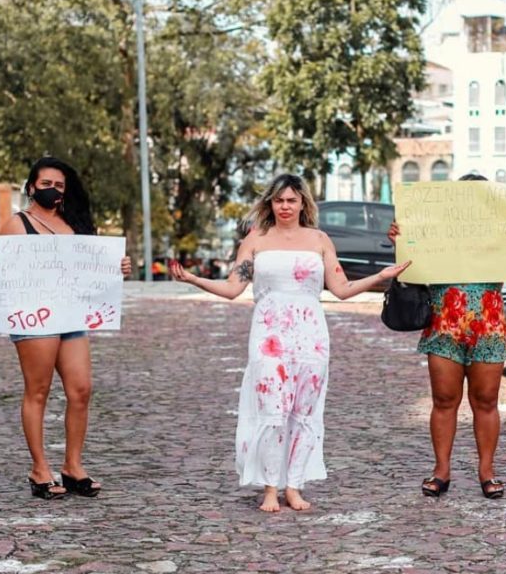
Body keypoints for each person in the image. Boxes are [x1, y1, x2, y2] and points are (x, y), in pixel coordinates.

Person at [170, 173, 409, 513]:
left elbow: (341, 289)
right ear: (270, 203)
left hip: (311, 335)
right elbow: (233, 288)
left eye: (291, 200)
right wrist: (193, 278)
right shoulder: (256, 239)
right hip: (269, 335)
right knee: (273, 408)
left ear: (302, 203)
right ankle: (270, 488)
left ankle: (294, 486)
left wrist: (380, 277)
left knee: (304, 411)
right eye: (279, 200)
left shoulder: (319, 239)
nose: (285, 206)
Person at [0, 156, 132, 500]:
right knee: (38, 389)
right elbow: (3, 267)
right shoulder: (17, 224)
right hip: (35, 317)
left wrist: (117, 267)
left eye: (59, 185)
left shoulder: (74, 224)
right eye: (46, 184)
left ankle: (73, 466)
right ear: (32, 187)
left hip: (72, 316)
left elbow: (93, 270)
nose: (53, 190)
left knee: (81, 389)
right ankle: (39, 468)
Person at [387, 175, 506, 499]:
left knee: (486, 401)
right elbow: (409, 271)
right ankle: (441, 469)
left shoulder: (501, 234)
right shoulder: (439, 232)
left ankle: (487, 470)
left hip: (488, 326)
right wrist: (401, 240)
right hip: (445, 325)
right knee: (444, 399)